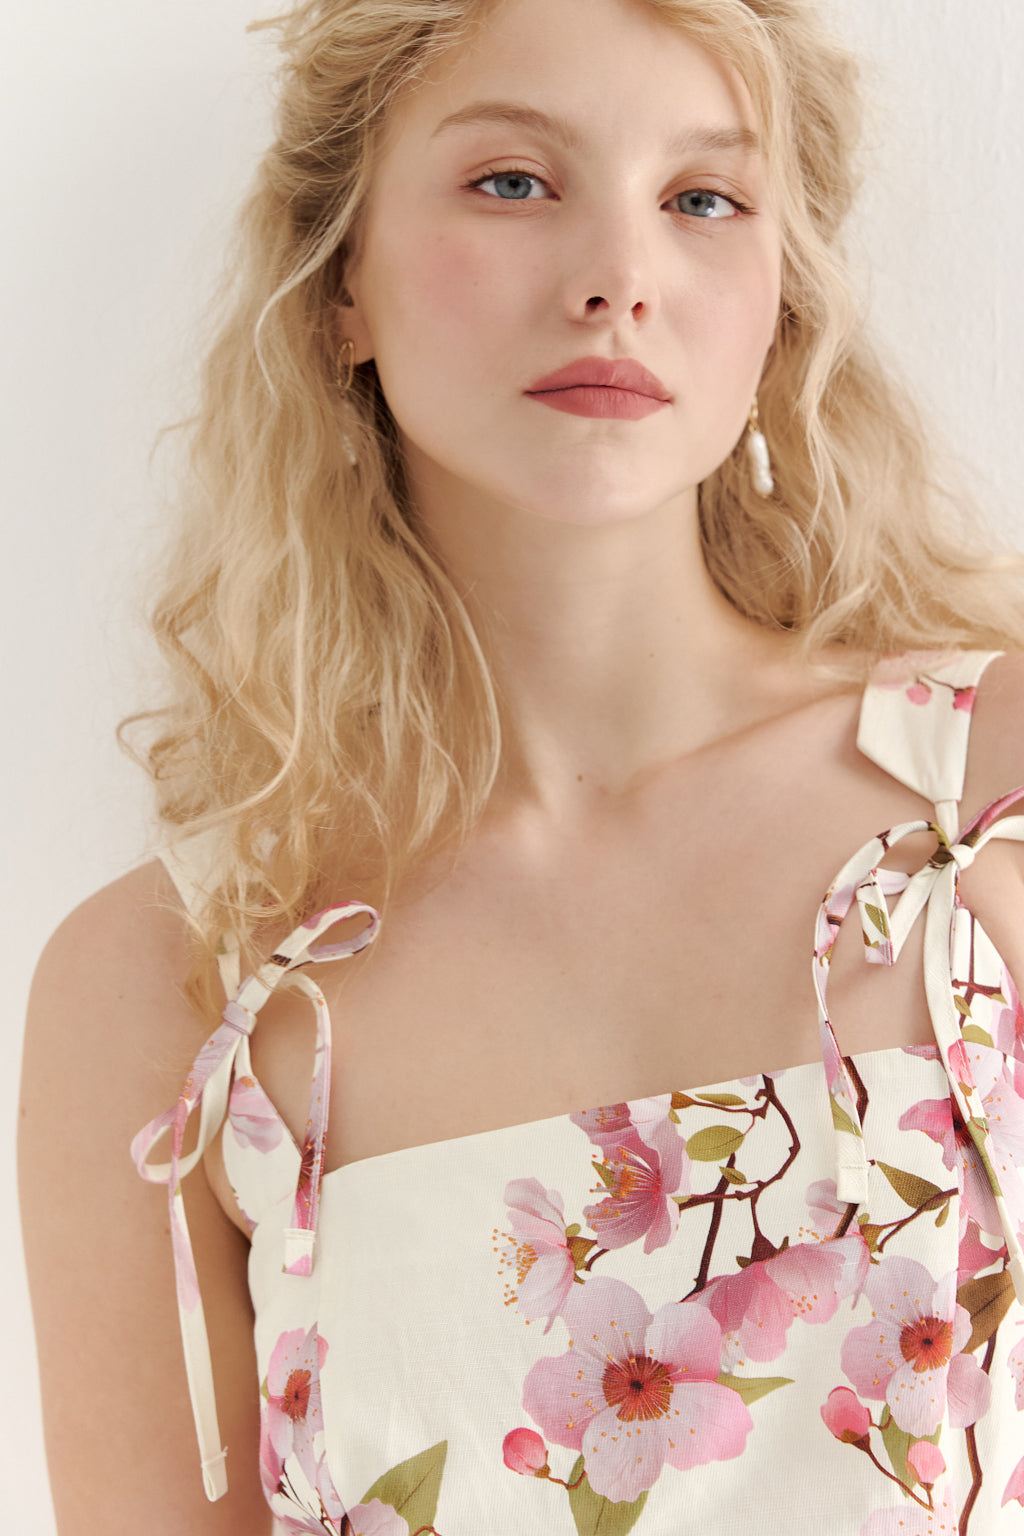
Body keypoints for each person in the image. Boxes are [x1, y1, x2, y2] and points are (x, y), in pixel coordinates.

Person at [18, 0, 1024, 1531]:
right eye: (514, 183)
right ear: (340, 277)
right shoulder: (167, 987)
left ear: (780, 305)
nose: (618, 278)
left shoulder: (991, 799)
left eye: (704, 200)